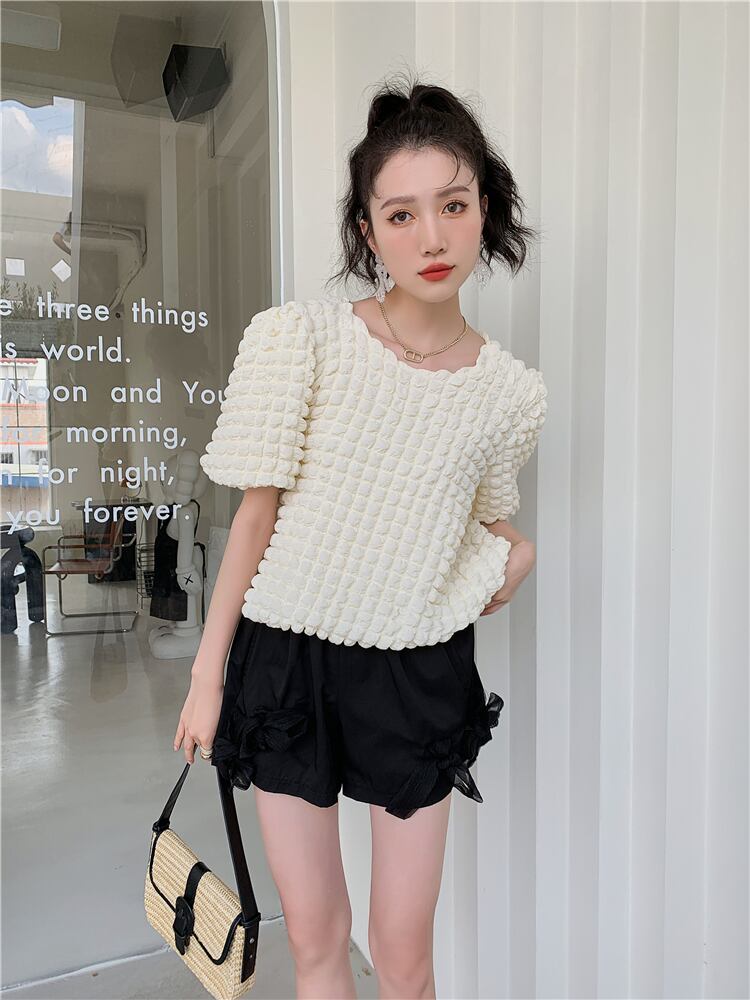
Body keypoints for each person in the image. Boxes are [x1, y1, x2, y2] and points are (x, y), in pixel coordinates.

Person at [174, 71, 548, 1000]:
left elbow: (469, 509)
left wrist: (520, 546)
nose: (432, 238)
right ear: (367, 230)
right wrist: (208, 678)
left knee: (403, 954)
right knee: (317, 941)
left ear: (487, 209)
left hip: (415, 670)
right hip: (286, 661)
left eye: (453, 205)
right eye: (401, 214)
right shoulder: (299, 339)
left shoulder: (510, 393)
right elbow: (254, 517)